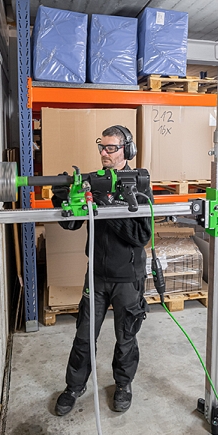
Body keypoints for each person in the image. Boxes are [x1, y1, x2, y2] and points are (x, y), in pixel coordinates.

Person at [51, 125, 153, 416]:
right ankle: (74, 386)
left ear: (126, 151)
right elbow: (72, 224)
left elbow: (141, 235)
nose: (104, 153)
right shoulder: (93, 183)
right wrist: (62, 198)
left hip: (128, 277)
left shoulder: (138, 184)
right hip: (96, 275)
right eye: (101, 147)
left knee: (126, 336)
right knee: (84, 335)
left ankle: (123, 384)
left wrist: (107, 207)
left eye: (111, 148)